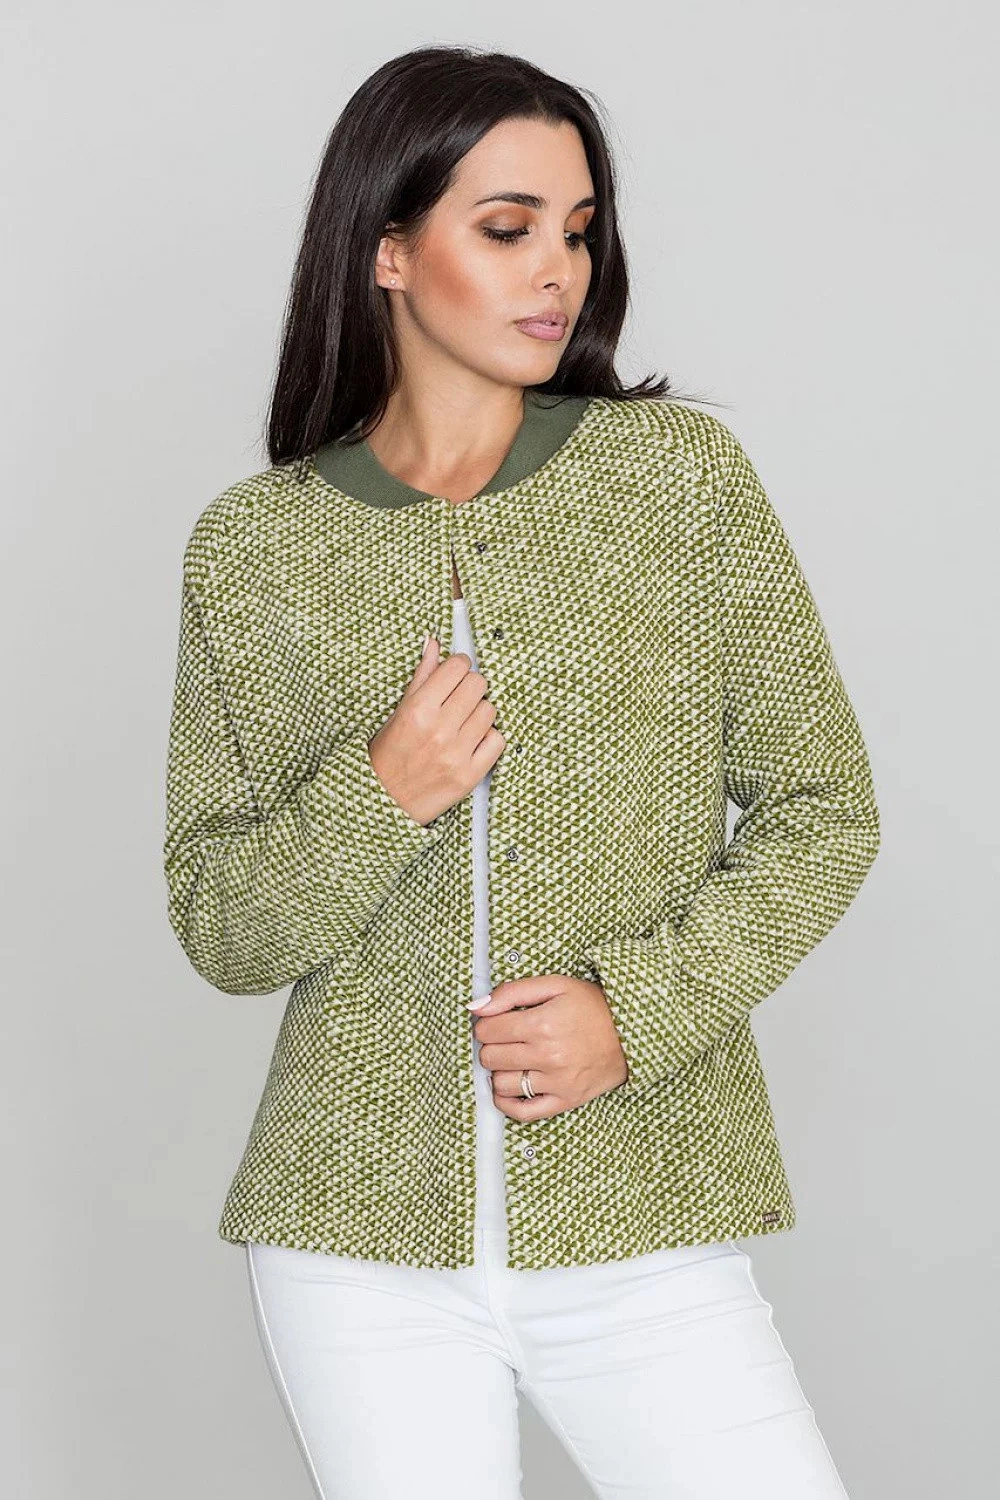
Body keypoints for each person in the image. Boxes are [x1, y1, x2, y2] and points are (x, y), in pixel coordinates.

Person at [163, 43, 880, 1500]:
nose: (557, 269)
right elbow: (224, 926)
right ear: (388, 251)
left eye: (577, 228)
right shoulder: (255, 548)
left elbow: (827, 810)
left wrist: (637, 1011)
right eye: (506, 228)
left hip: (645, 1210)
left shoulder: (675, 482)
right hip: (355, 1247)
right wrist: (382, 793)